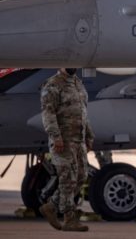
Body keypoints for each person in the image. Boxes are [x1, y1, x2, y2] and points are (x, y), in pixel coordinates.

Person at [39, 68, 94, 232]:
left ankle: (52, 206)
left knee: (81, 176)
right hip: (63, 140)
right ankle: (69, 218)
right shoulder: (53, 85)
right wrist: (56, 137)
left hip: (79, 140)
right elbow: (48, 114)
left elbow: (83, 112)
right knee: (67, 178)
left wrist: (89, 135)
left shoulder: (78, 83)